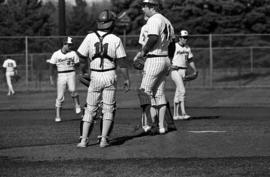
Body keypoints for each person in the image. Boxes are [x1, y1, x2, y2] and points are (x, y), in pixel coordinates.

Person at [76, 9, 130, 148]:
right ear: (111, 24)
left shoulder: (89, 37)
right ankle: (104, 140)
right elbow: (122, 62)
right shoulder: (116, 39)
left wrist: (83, 71)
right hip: (110, 75)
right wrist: (126, 79)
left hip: (95, 75)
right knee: (108, 109)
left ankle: (83, 140)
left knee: (90, 109)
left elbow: (81, 56)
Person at [134, 0, 175, 134]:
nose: (142, 9)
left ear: (150, 6)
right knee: (159, 93)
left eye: (143, 6)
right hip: (165, 59)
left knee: (144, 92)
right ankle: (162, 127)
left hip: (154, 59)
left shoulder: (153, 20)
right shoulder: (167, 20)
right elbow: (173, 44)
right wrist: (170, 59)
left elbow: (152, 38)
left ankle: (148, 125)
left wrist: (142, 53)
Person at [48, 36, 81, 122]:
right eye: (69, 45)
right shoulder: (56, 54)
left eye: (71, 45)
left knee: (73, 90)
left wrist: (80, 73)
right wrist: (51, 78)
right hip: (61, 75)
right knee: (60, 97)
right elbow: (51, 67)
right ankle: (58, 116)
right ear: (64, 44)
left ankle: (77, 104)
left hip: (71, 73)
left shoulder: (73, 53)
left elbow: (77, 64)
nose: (70, 46)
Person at [170, 30, 198, 120]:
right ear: (180, 37)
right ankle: (184, 113)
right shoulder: (174, 46)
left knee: (178, 91)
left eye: (186, 37)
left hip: (184, 71)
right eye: (184, 37)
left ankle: (176, 115)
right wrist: (170, 65)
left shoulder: (187, 48)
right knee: (182, 90)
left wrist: (195, 70)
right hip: (175, 70)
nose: (185, 39)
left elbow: (190, 60)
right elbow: (167, 56)